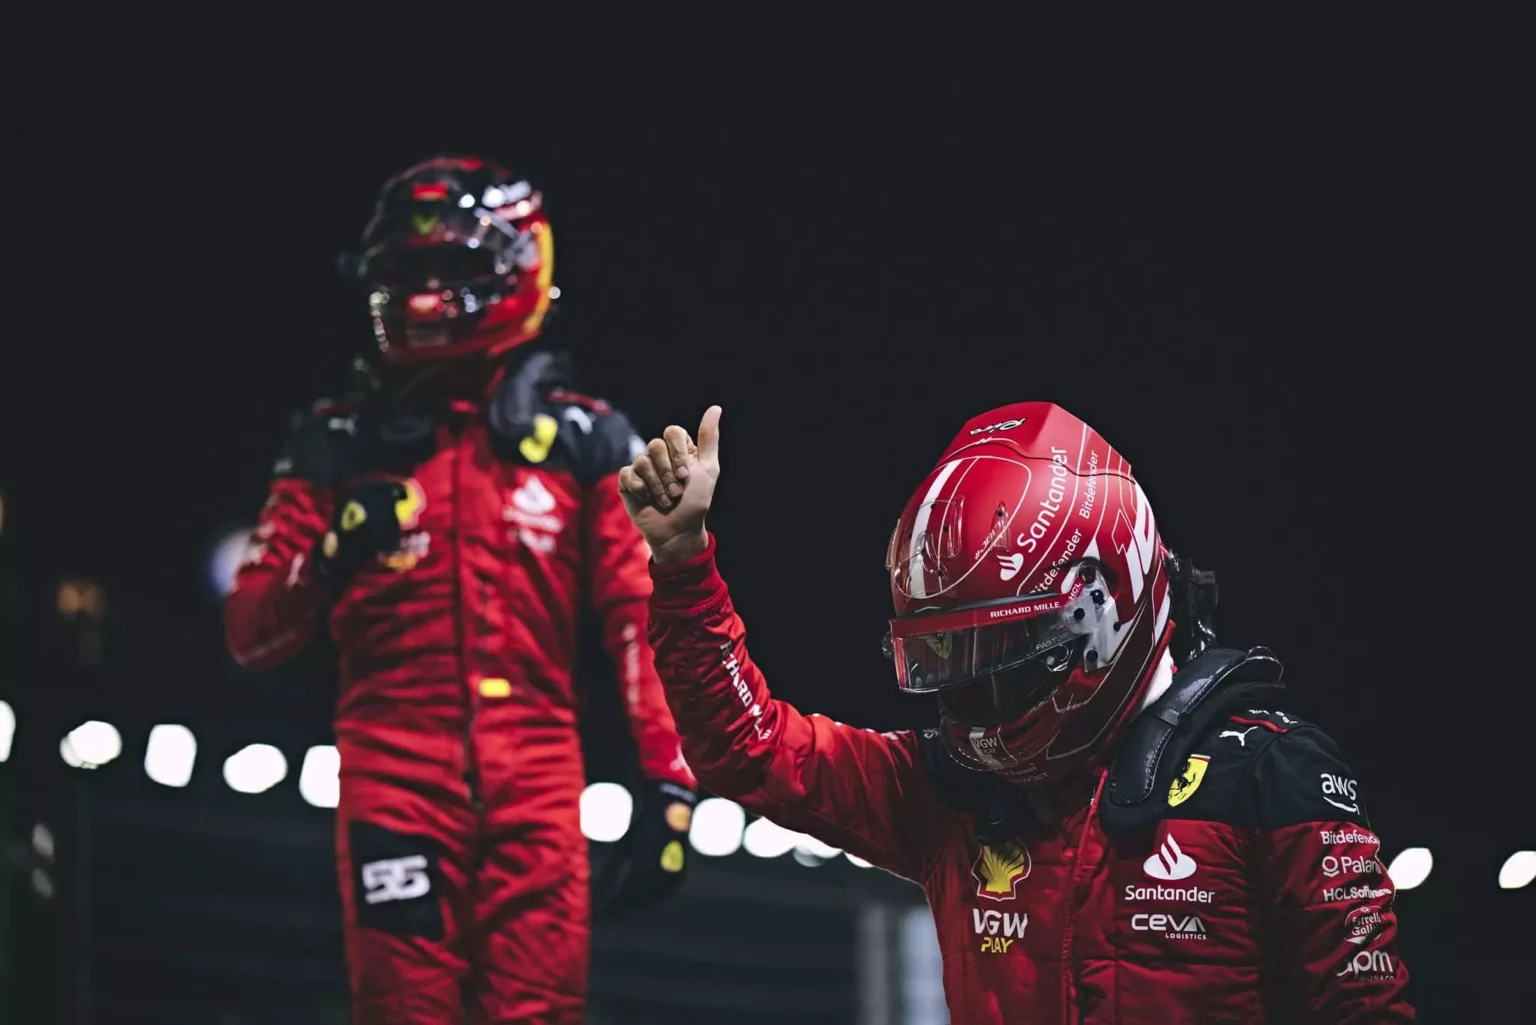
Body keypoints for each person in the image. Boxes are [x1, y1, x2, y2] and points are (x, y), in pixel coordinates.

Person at [618, 402, 1416, 1023]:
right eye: (952, 666)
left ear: (1105, 607)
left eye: (1002, 663)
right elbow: (747, 749)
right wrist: (683, 562)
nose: (976, 703)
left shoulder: (1273, 780)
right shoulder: (951, 788)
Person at [225, 156, 697, 1025]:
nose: (427, 292)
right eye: (410, 273)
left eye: (451, 268)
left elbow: (642, 617)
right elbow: (250, 629)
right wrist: (327, 557)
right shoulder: (334, 443)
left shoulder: (586, 438)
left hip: (541, 793)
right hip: (392, 787)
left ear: (519, 268)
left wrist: (669, 788)